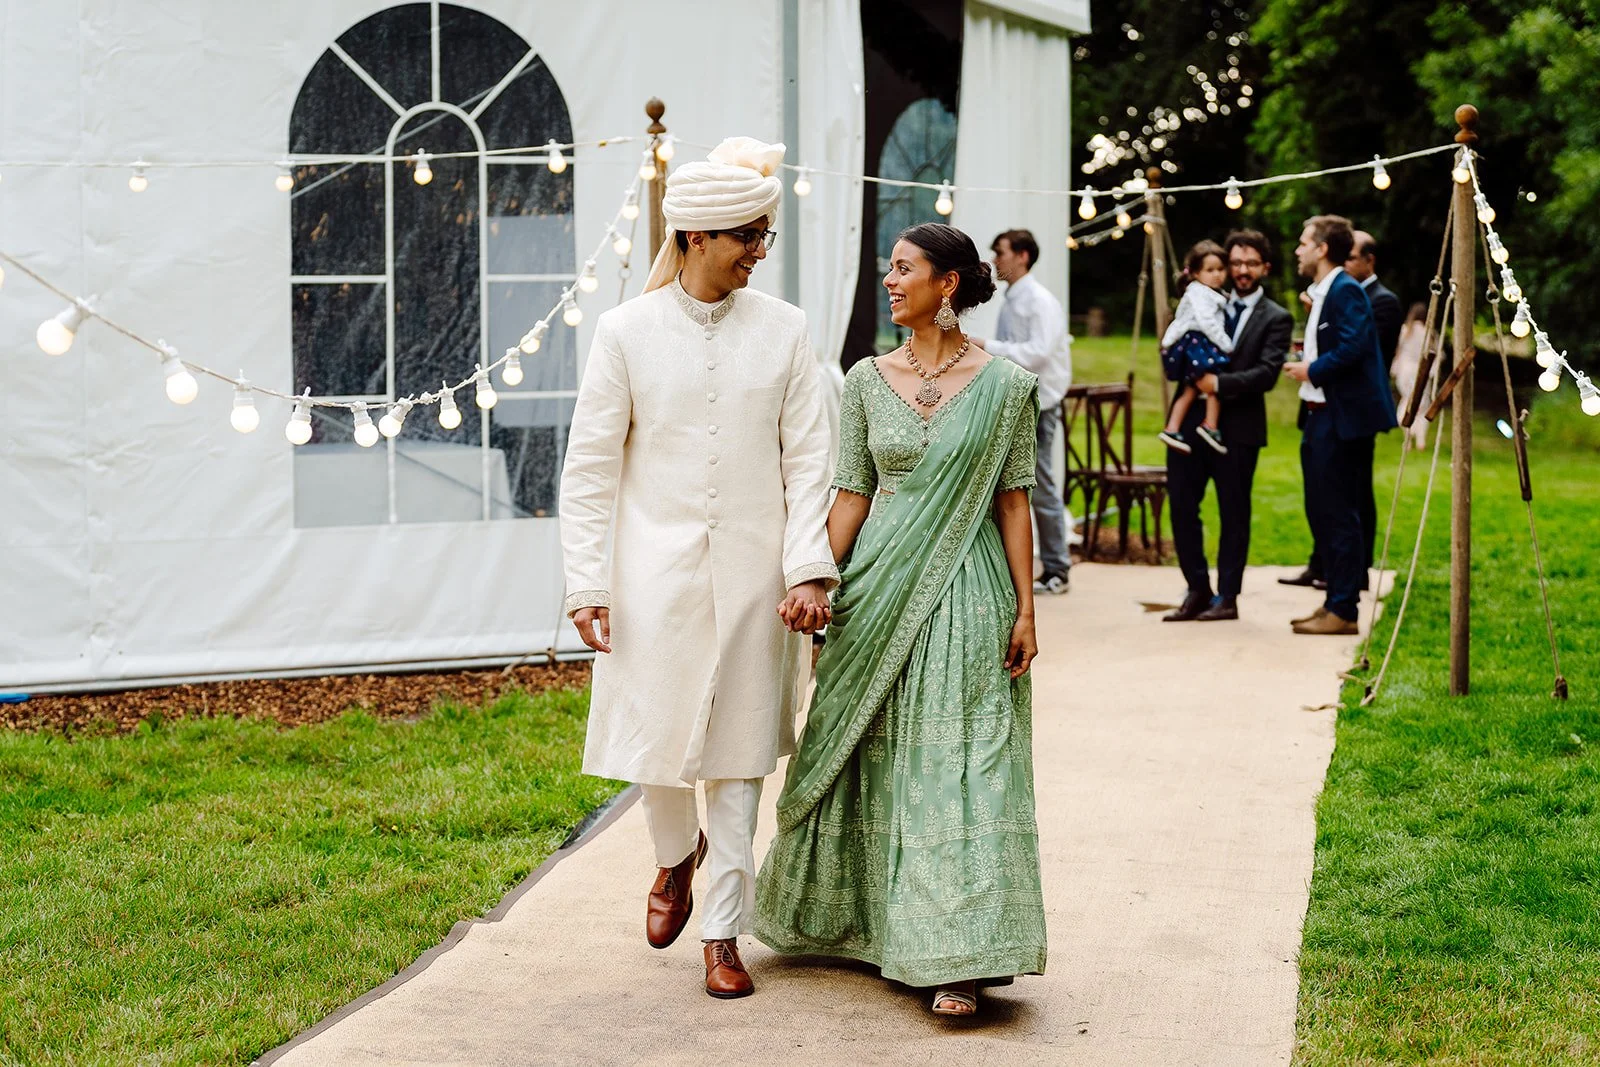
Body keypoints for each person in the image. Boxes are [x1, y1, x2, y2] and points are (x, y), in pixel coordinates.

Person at [559, 137, 839, 1000]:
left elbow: (810, 461)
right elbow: (590, 467)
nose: (760, 250)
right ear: (693, 237)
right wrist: (586, 583)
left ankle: (724, 933)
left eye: (763, 235)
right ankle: (674, 859)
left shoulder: (786, 329)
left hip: (759, 578)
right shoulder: (624, 332)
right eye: (747, 236)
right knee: (657, 746)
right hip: (654, 577)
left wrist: (807, 571)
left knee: (742, 748)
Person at [754, 223, 1047, 1019]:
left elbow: (1014, 501)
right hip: (875, 587)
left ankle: (961, 957)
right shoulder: (864, 380)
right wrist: (814, 577)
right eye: (890, 268)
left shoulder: (1007, 386)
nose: (890, 281)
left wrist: (1025, 608)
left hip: (969, 587)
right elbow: (850, 493)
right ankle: (868, 924)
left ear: (946, 284)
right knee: (864, 753)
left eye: (904, 269)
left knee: (960, 768)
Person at [1163, 230, 1292, 623]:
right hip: (1187, 426)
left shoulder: (1276, 317)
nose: (1241, 270)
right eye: (1236, 262)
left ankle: (1228, 597)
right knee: (1183, 508)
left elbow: (1267, 374)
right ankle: (1197, 590)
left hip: (1238, 429)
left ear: (1264, 268)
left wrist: (1217, 384)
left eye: (1251, 263)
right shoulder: (1201, 298)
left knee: (1233, 513)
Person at [1281, 215, 1398, 635]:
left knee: (1339, 511)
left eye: (1303, 242)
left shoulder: (1345, 290)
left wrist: (1311, 369)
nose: (1298, 250)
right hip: (1320, 415)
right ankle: (1333, 600)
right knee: (1321, 509)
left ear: (1322, 248)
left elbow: (1355, 346)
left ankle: (1344, 610)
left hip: (1339, 417)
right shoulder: (1326, 291)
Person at [968, 229, 1073, 594]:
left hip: (1041, 402)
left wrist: (987, 346)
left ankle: (1058, 568)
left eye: (1001, 252)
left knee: (1040, 484)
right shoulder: (1014, 298)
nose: (996, 260)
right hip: (1017, 400)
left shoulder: (1040, 301)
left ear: (1023, 256)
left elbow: (1040, 351)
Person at [1157, 240, 1234, 456]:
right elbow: (1208, 323)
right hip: (1197, 343)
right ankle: (1210, 425)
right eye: (1210, 270)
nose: (1217, 275)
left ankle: (1172, 428)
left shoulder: (1206, 292)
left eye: (1220, 269)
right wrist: (1227, 346)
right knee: (1213, 383)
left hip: (1190, 343)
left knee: (1190, 389)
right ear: (1196, 273)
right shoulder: (1201, 294)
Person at [1391, 302, 1431, 448]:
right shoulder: (1427, 332)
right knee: (1421, 405)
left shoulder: (1405, 330)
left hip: (1405, 370)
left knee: (1407, 400)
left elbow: (1399, 351)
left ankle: (1407, 436)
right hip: (1420, 371)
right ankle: (1420, 437)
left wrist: (1395, 369)